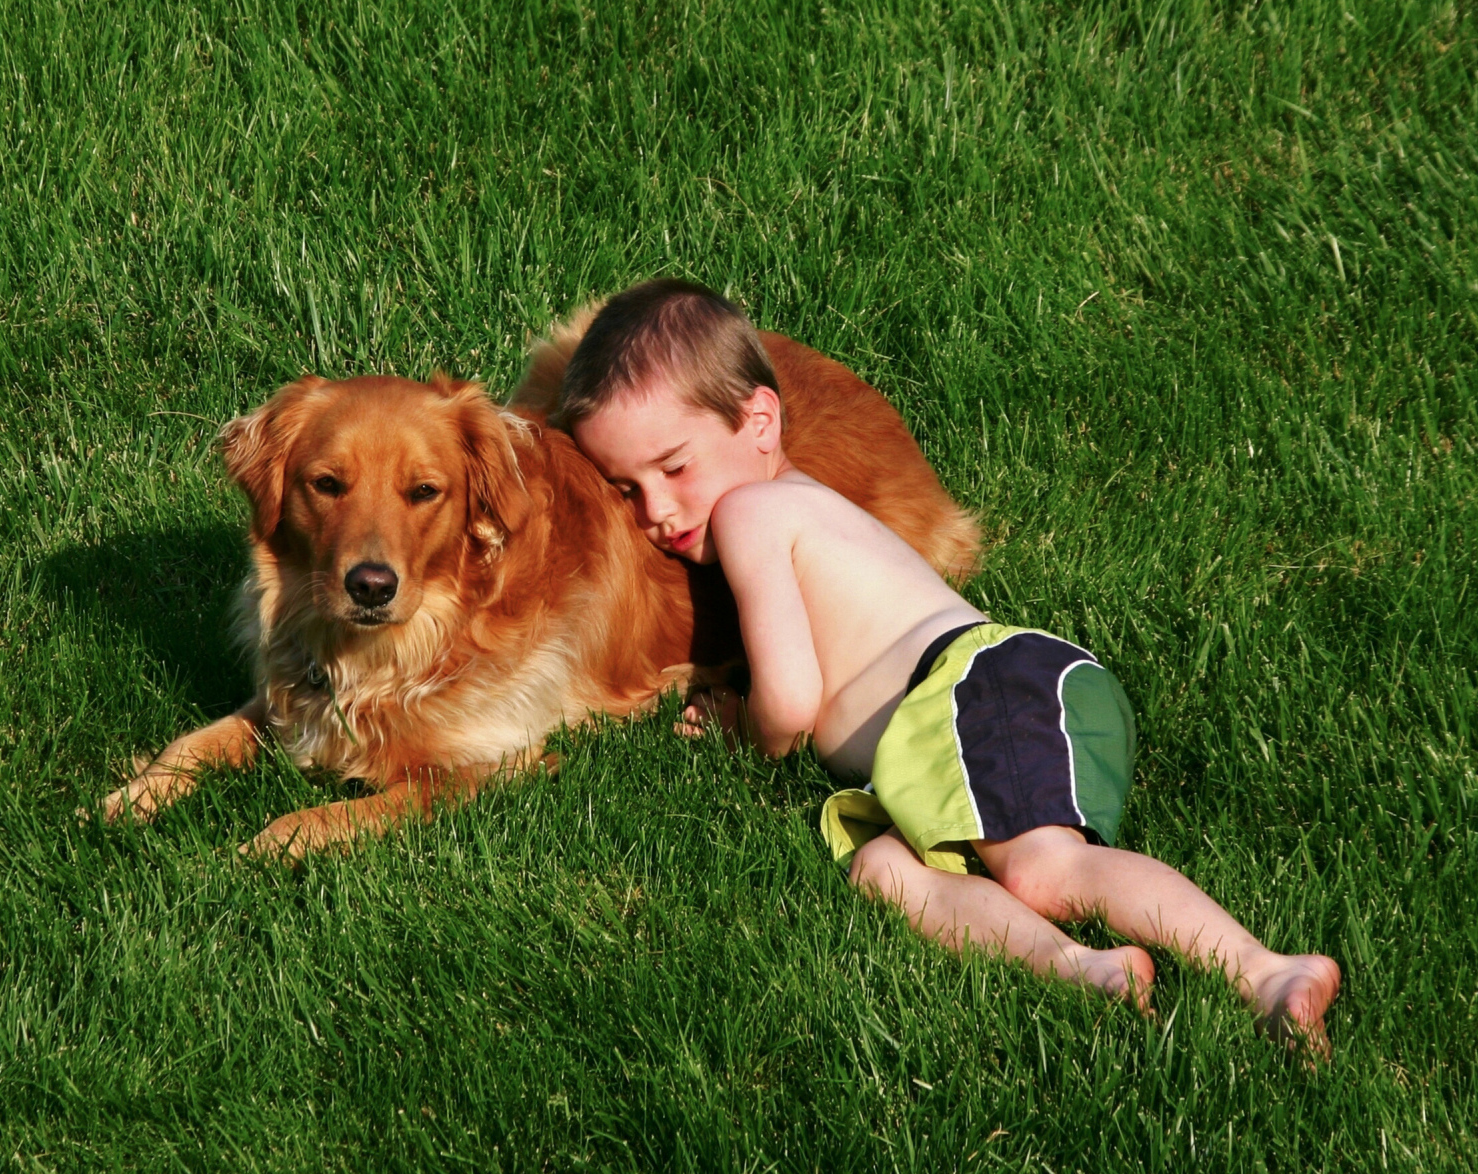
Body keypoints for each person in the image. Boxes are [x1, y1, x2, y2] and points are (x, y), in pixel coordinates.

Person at [559, 278, 1341, 1054]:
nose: (655, 511)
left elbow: (792, 699)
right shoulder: (783, 502)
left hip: (977, 693)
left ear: (759, 420)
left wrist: (744, 734)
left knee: (1043, 868)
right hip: (945, 738)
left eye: (673, 468)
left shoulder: (751, 513)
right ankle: (1083, 967)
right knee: (884, 871)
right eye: (628, 489)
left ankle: (1265, 968)